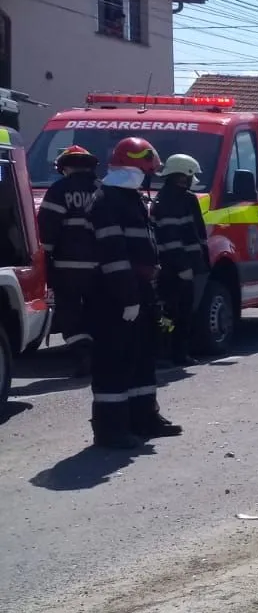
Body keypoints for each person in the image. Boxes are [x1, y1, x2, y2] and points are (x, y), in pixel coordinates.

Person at [88, 137, 181, 448]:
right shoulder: (106, 201)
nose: (148, 179)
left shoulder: (131, 199)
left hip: (138, 290)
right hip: (113, 295)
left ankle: (144, 419)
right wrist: (127, 298)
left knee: (142, 356)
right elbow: (113, 254)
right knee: (114, 361)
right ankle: (111, 429)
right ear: (133, 169)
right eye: (146, 172)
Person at [36, 145, 100, 376]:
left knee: (69, 312)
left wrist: (45, 261)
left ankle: (83, 353)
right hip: (101, 267)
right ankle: (100, 354)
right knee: (97, 310)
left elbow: (47, 228)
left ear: (63, 167)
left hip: (67, 267)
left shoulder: (59, 190)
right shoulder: (103, 190)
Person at [151, 154, 208, 365]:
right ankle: (170, 352)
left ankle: (174, 352)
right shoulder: (173, 200)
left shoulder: (177, 197)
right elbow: (171, 236)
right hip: (176, 267)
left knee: (178, 311)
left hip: (179, 265)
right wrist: (183, 267)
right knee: (174, 312)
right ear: (183, 176)